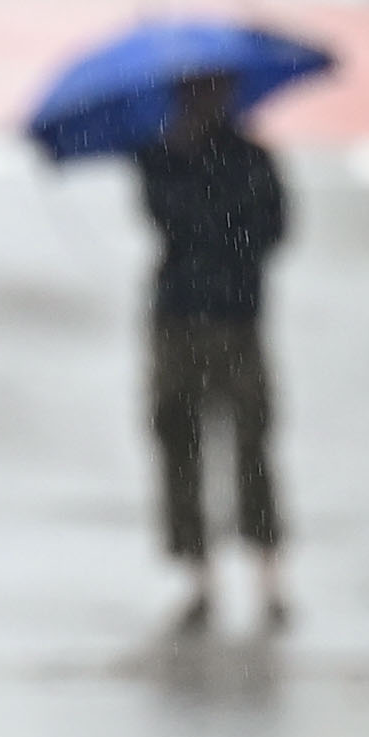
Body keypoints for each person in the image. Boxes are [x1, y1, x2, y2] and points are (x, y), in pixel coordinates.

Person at [135, 65, 293, 633]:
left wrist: (219, 220)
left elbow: (274, 230)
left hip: (236, 317)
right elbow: (163, 216)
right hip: (178, 315)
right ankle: (198, 574)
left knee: (252, 441)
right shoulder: (160, 154)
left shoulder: (250, 158)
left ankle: (268, 573)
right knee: (179, 440)